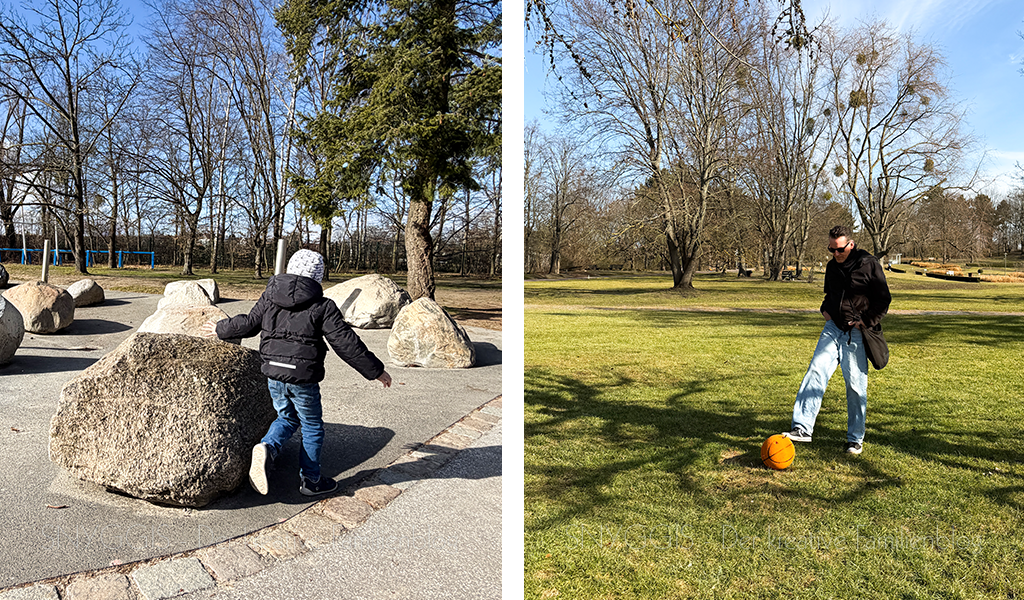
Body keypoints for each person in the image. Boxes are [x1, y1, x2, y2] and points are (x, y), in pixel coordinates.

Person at [201, 249, 392, 496]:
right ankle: (311, 480)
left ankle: (268, 447)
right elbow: (346, 343)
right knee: (311, 425)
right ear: (318, 277)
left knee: (286, 417)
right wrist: (376, 371)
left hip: (273, 372)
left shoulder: (270, 297)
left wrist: (220, 328)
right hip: (303, 377)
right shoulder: (323, 306)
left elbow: (248, 324)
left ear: (289, 270)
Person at [783, 225, 891, 455]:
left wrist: (866, 320)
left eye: (839, 250)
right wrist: (825, 310)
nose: (835, 254)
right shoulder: (832, 267)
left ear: (851, 245)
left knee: (855, 386)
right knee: (815, 372)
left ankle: (855, 439)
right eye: (831, 250)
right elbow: (829, 294)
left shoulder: (869, 264)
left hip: (856, 333)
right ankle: (802, 428)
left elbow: (884, 299)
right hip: (833, 328)